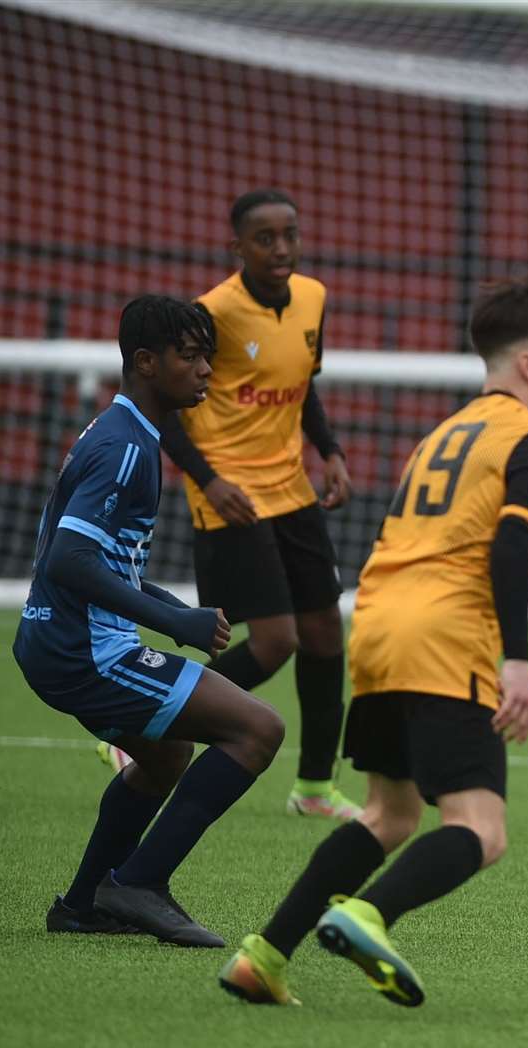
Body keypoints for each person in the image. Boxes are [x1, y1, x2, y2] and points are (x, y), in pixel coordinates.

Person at [219, 270, 528, 1007]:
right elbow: (510, 551)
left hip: (380, 624)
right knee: (481, 829)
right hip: (447, 634)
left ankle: (262, 957)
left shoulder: (444, 433)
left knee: (389, 814)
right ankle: (367, 915)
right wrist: (517, 661)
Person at [19, 295, 283, 947]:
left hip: (60, 641)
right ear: (145, 362)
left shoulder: (128, 433)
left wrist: (169, 611)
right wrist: (176, 623)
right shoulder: (127, 447)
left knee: (165, 755)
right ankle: (138, 883)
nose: (205, 372)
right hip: (85, 652)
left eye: (208, 358)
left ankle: (82, 904)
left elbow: (99, 559)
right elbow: (69, 559)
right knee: (258, 729)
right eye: (190, 357)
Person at [149, 188, 359, 820]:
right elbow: (165, 404)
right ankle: (143, 729)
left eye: (290, 234)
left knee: (324, 633)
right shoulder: (210, 313)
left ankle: (315, 789)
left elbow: (301, 388)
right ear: (236, 247)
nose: (282, 248)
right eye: (265, 238)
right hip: (232, 494)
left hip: (291, 488)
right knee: (274, 642)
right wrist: (209, 480)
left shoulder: (313, 298)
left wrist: (331, 452)